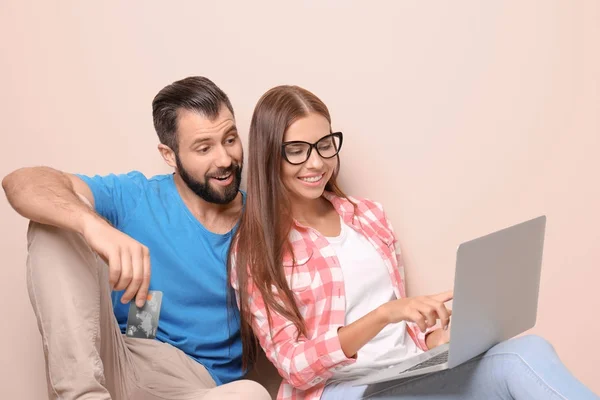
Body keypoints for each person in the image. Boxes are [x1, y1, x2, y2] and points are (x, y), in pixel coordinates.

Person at [229, 85, 599, 400]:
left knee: (526, 350)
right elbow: (294, 366)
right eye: (297, 150)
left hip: (407, 371)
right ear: (269, 156)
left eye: (325, 144)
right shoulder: (256, 250)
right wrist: (385, 315)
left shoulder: (366, 215)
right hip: (348, 389)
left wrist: (439, 336)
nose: (316, 162)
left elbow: (403, 323)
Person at [2, 76, 270, 400]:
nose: (225, 159)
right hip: (118, 361)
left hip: (195, 386)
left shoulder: (263, 222)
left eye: (230, 139)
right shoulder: (137, 196)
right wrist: (95, 227)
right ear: (169, 155)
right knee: (55, 222)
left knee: (252, 395)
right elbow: (23, 182)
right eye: (204, 148)